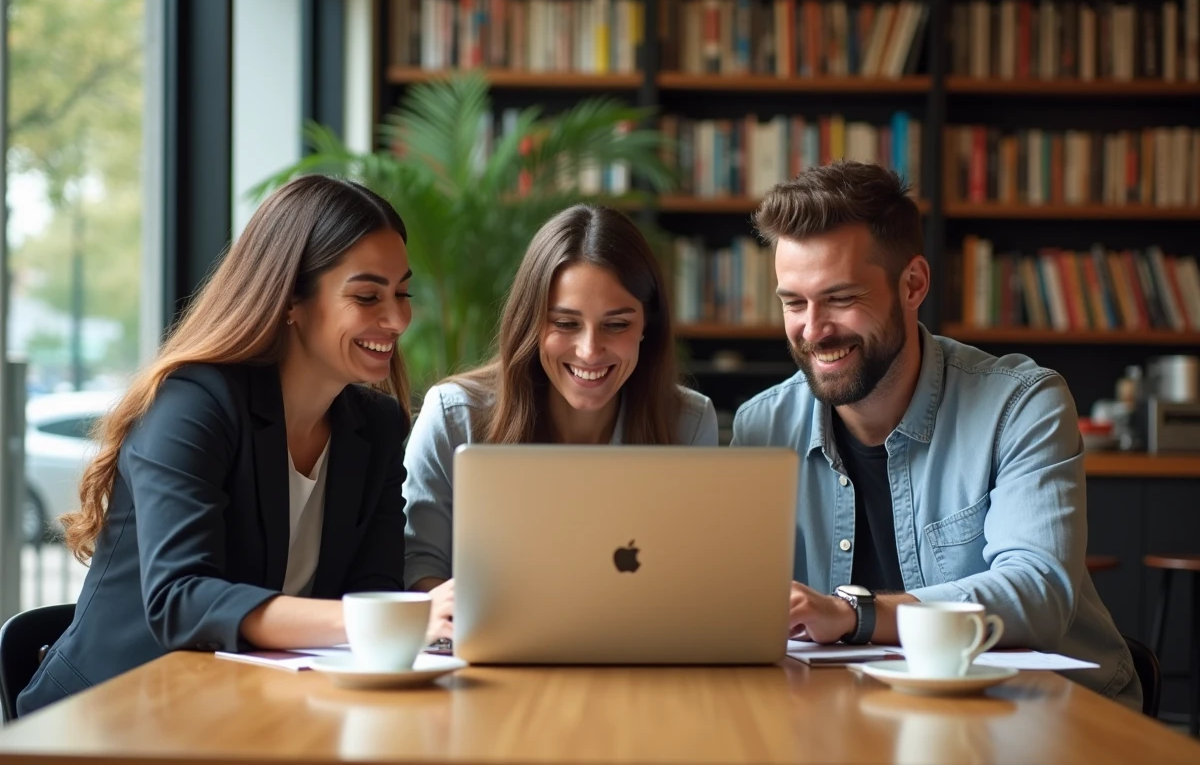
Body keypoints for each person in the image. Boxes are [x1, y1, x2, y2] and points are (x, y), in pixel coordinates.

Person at [18, 175, 452, 716]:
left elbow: (374, 584)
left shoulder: (377, 427)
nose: (398, 318)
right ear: (291, 298)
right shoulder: (192, 405)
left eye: (402, 292)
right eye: (368, 296)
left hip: (254, 711)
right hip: (112, 715)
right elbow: (181, 599)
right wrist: (385, 618)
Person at [731, 161, 1139, 709]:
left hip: (1039, 712)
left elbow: (1038, 592)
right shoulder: (761, 427)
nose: (813, 329)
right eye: (793, 302)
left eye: (841, 298)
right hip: (846, 716)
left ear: (913, 284)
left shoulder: (1021, 405)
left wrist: (854, 615)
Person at [403, 204, 719, 592]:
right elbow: (417, 566)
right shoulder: (453, 417)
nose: (589, 351)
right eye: (566, 324)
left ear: (646, 327)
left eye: (617, 325)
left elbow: (696, 577)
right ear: (531, 323)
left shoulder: (688, 421)